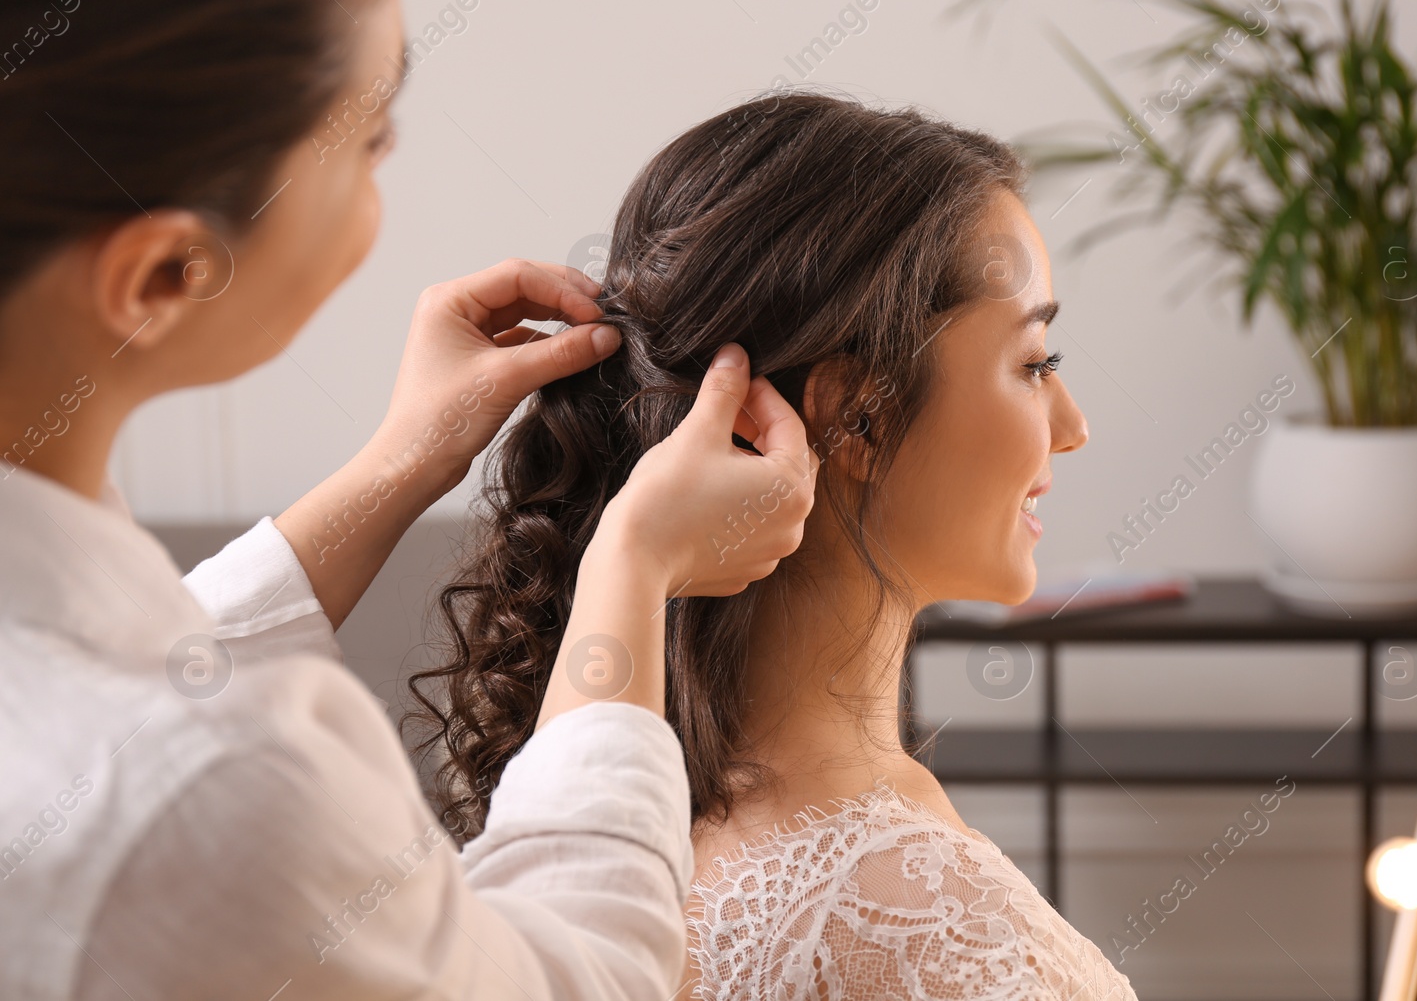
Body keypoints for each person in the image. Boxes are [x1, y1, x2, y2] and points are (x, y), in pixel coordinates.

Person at [0, 0, 815, 998]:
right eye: (367, 135)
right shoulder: (218, 791)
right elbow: (579, 979)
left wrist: (399, 462)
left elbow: (121, 679)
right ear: (162, 273)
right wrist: (634, 569)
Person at [415, 93, 1140, 999]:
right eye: (1034, 363)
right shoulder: (941, 931)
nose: (1070, 427)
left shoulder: (641, 836)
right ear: (858, 415)